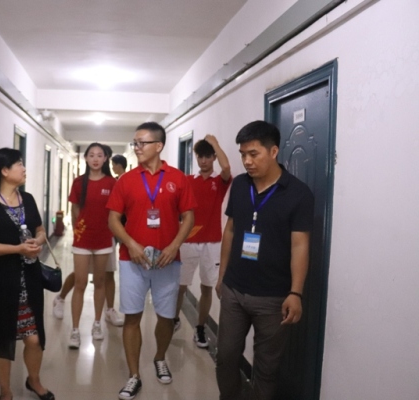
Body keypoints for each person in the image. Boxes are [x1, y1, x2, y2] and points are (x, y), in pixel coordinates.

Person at [215, 121, 314, 400]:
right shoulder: (239, 185)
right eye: (242, 154)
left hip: (273, 297)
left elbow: (300, 245)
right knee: (226, 357)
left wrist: (296, 292)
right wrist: (222, 275)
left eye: (253, 154)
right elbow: (230, 230)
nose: (247, 161)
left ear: (273, 151)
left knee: (267, 368)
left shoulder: (298, 193)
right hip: (234, 290)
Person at [107, 122, 197, 400]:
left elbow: (189, 216)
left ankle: (159, 357)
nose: (136, 148)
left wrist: (174, 246)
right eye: (134, 143)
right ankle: (134, 375)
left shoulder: (178, 178)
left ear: (158, 146)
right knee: (132, 316)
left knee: (166, 316)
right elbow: (113, 219)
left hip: (167, 260)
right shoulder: (126, 180)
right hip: (132, 260)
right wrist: (131, 244)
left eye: (141, 143)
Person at [0, 148, 54, 400]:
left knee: (34, 339)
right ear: (4, 171)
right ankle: (5, 391)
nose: (24, 169)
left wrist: (37, 241)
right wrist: (17, 249)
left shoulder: (27, 199)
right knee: (1, 340)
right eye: (19, 164)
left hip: (29, 281)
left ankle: (34, 381)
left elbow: (40, 230)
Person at [173, 134, 231, 348]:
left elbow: (227, 167)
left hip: (212, 242)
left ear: (213, 157)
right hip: (188, 241)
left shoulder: (220, 181)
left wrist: (215, 143)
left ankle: (200, 328)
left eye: (208, 156)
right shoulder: (188, 181)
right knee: (180, 286)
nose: (204, 161)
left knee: (207, 287)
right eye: (200, 157)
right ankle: (174, 319)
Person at [65, 142, 117, 348]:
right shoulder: (79, 182)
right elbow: (75, 209)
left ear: (105, 159)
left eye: (99, 155)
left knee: (100, 281)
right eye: (92, 155)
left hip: (103, 239)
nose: (95, 159)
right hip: (83, 239)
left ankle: (97, 324)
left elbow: (115, 212)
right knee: (80, 283)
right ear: (86, 158)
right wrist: (78, 230)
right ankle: (75, 330)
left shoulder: (112, 183)